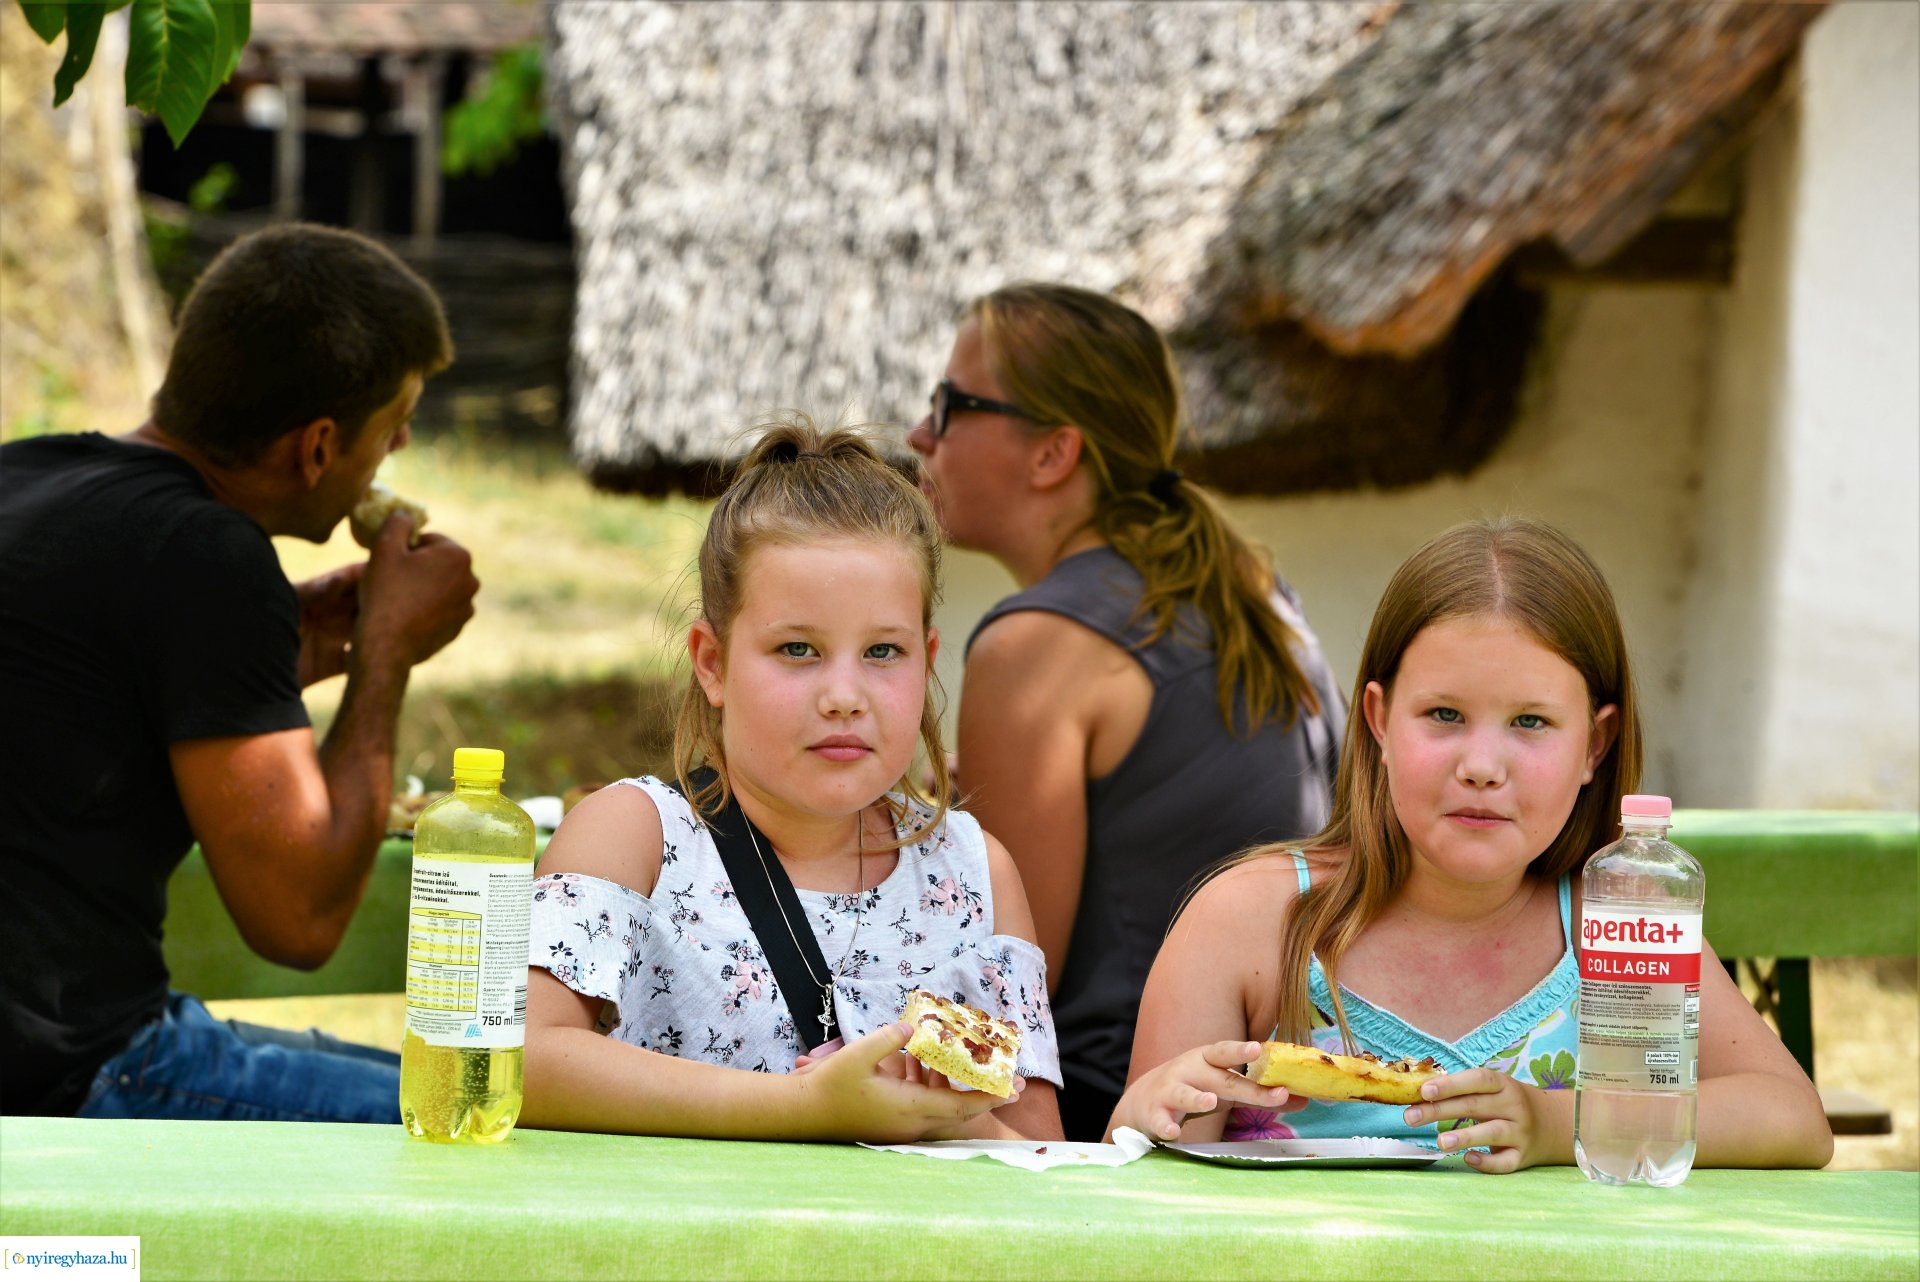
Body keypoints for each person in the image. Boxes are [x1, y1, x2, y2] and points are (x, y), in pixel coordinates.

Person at [1112, 518, 1834, 1172]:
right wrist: (1156, 1111)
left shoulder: (1614, 930)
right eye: (1445, 714)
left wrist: (1556, 1125)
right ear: (1379, 722)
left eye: (1530, 722)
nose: (1483, 766)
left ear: (1596, 745)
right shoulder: (1254, 922)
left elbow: (1794, 1120)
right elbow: (1138, 1169)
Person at [0, 224, 480, 1120]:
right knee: (469, 1118)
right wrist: (386, 657)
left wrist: (282, 653)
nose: (402, 442)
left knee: (443, 1089)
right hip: (74, 1072)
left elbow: (80, 703)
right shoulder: (209, 557)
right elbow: (298, 921)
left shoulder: (29, 475)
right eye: (394, 425)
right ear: (317, 447)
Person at [521, 419, 1063, 1141]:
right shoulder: (638, 839)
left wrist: (954, 1122)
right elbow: (515, 1060)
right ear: (712, 663)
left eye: (882, 651)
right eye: (798, 649)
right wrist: (809, 1109)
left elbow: (1038, 1154)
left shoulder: (974, 875)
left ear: (926, 659)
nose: (844, 694)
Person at [905, 283, 1346, 1139]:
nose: (922, 435)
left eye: (951, 404)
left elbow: (1010, 980)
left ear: (1053, 453)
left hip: (1119, 1112)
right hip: (1275, 1095)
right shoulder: (1249, 585)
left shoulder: (1035, 644)